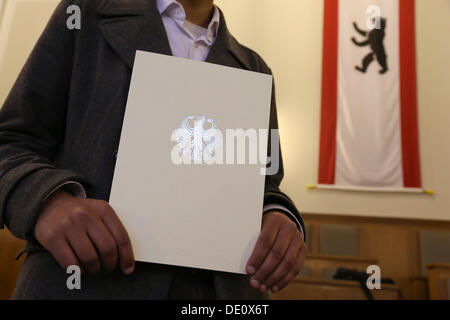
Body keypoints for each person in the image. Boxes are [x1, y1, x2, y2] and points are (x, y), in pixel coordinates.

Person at [0, 0, 306, 299]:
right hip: (84, 282)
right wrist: (48, 203)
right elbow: (11, 140)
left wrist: (277, 215)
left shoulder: (255, 69)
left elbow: (266, 181)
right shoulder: (84, 14)